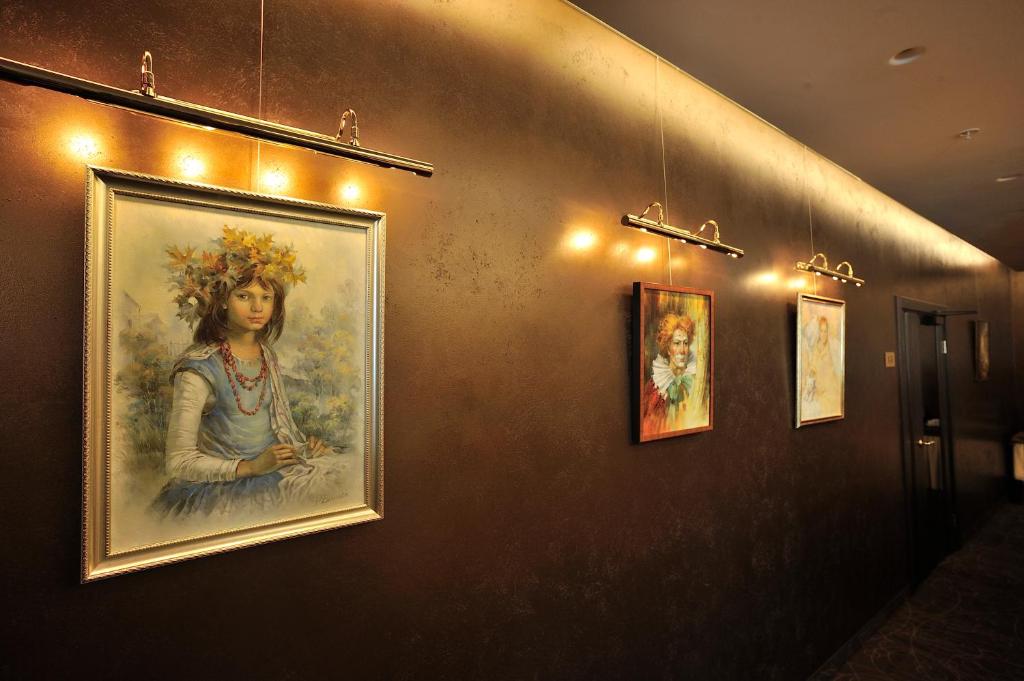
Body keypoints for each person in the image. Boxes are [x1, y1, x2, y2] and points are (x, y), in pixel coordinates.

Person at [153, 226, 343, 518]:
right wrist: (250, 467)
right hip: (220, 489)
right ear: (222, 300)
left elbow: (278, 427)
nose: (257, 307)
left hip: (273, 474)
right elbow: (178, 462)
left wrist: (303, 448)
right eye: (244, 296)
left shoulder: (267, 355)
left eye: (266, 297)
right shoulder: (198, 368)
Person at [641, 313, 697, 437]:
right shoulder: (655, 387)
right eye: (677, 343)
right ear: (667, 348)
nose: (682, 350)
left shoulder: (695, 382)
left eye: (686, 343)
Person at [800, 315, 840, 418]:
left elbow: (837, 370)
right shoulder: (815, 349)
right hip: (818, 392)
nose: (823, 334)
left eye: (825, 331)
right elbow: (812, 367)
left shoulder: (833, 348)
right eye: (821, 331)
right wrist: (811, 374)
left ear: (828, 332)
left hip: (830, 392)